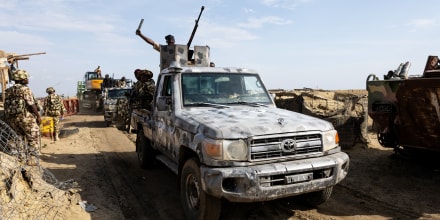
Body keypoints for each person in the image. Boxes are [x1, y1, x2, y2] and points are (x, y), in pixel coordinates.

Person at [4, 70, 41, 162]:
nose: (27, 79)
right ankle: (32, 159)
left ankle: (20, 159)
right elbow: (31, 104)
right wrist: (38, 116)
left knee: (18, 138)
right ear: (21, 79)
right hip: (25, 118)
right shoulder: (25, 89)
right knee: (33, 137)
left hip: (13, 118)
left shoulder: (9, 90)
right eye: (25, 78)